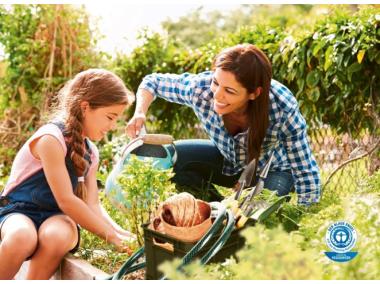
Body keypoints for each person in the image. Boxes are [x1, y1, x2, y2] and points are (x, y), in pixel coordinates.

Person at [126, 44, 321, 205]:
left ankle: (238, 218)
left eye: (229, 90)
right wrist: (140, 112)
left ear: (254, 93)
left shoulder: (281, 106)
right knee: (170, 157)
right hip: (228, 162)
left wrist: (308, 215)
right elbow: (152, 82)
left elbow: (304, 168)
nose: (217, 95)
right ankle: (215, 211)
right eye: (216, 82)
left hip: (273, 170)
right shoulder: (200, 90)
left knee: (255, 218)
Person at [0, 69, 136, 280]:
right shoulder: (51, 139)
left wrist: (124, 235)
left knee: (58, 236)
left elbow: (92, 206)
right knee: (21, 237)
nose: (112, 126)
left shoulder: (91, 153)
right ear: (85, 107)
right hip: (19, 211)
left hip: (56, 217)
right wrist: (112, 238)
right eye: (110, 117)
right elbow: (66, 200)